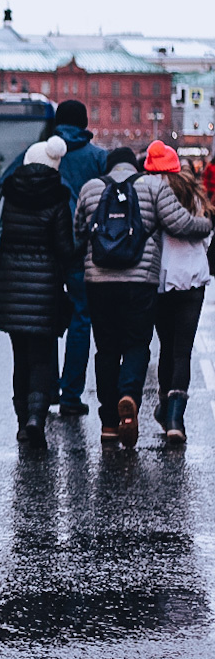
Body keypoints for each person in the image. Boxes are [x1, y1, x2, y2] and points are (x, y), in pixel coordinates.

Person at [73, 144, 209, 448]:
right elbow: (180, 224)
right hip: (151, 280)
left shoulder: (92, 188)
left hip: (113, 280)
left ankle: (109, 422)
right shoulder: (158, 189)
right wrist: (208, 224)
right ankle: (145, 404)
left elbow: (78, 231)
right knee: (147, 346)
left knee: (107, 349)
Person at [4, 99, 106, 419]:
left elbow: (8, 183)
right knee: (81, 317)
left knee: (44, 316)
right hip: (82, 250)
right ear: (85, 122)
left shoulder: (37, 153)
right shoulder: (98, 158)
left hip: (43, 247)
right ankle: (71, 395)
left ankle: (44, 389)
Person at [0, 136, 77, 444]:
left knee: (20, 357)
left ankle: (23, 422)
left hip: (10, 288)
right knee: (42, 357)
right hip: (45, 289)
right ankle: (37, 416)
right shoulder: (58, 198)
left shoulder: (8, 193)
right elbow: (64, 249)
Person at [145, 142, 213, 443]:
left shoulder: (149, 193)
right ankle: (175, 417)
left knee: (166, 347)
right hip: (193, 278)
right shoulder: (194, 194)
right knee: (183, 349)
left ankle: (164, 406)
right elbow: (207, 236)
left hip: (160, 278)